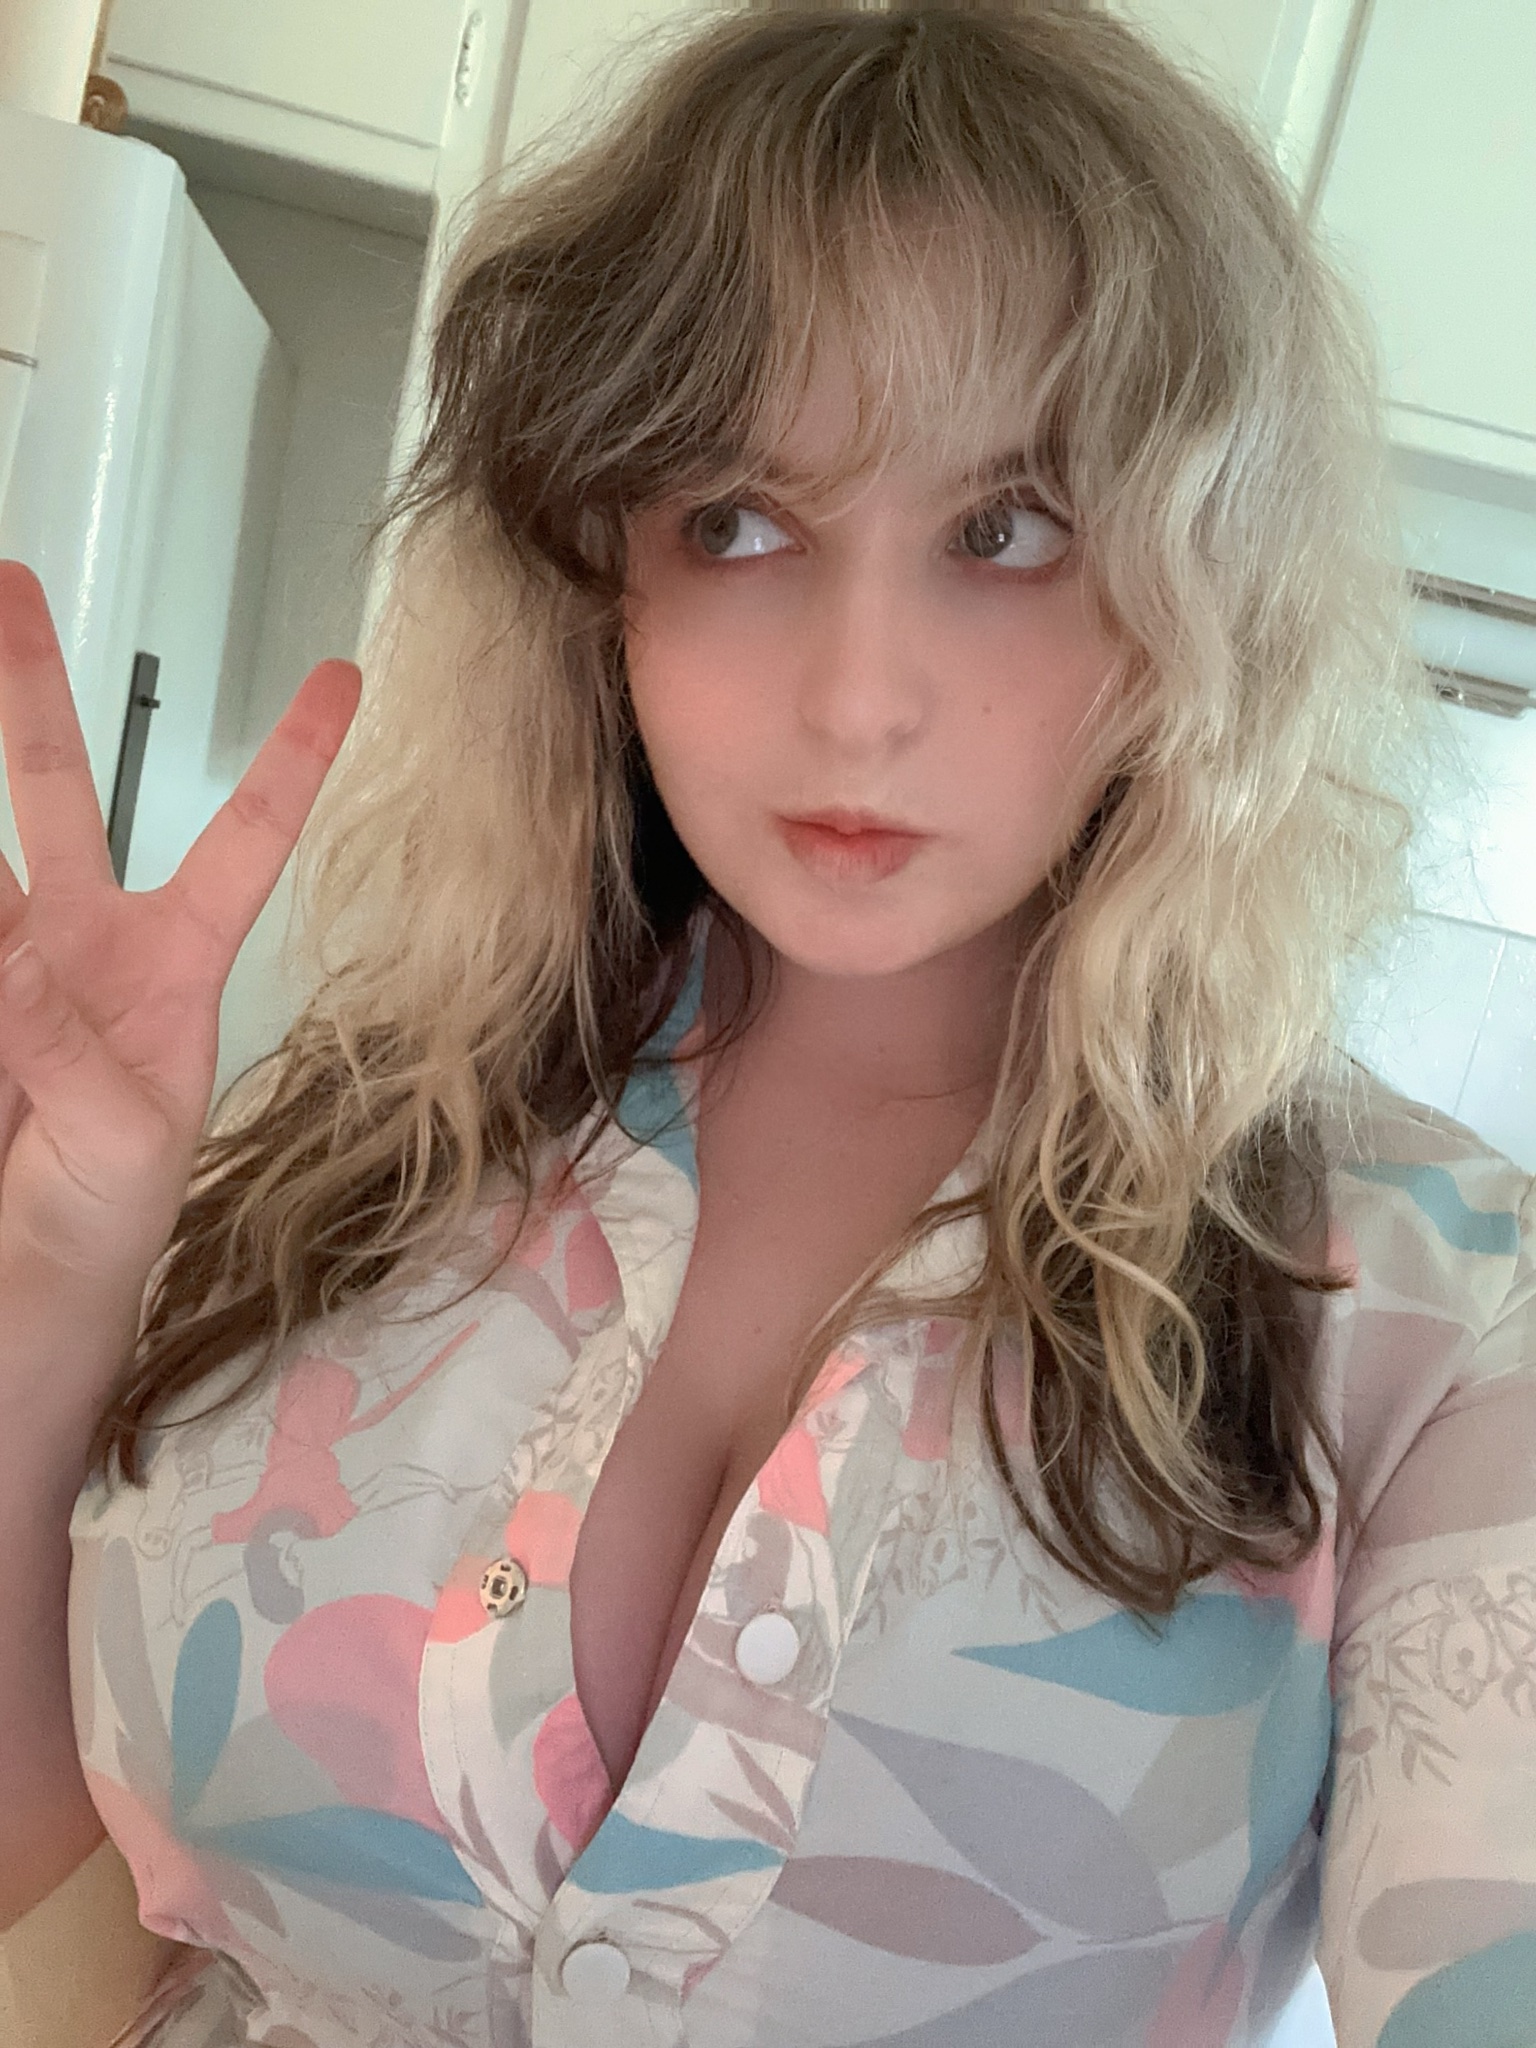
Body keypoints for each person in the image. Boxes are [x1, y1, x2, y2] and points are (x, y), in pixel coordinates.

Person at [2, 1, 1533, 2043]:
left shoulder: (1432, 1320)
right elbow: (59, 1870)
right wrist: (59, 1275)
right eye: (734, 518)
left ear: (1203, 589)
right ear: (598, 575)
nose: (856, 697)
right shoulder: (381, 1129)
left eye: (1008, 529)